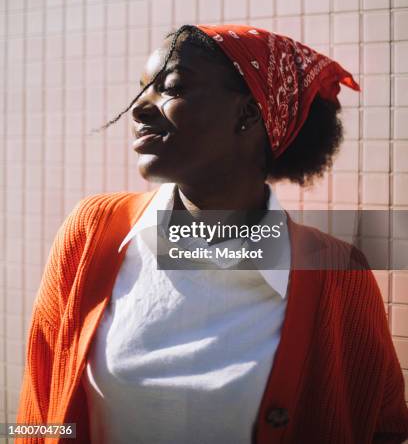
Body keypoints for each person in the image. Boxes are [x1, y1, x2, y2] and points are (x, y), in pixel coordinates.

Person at [17, 24, 408, 444]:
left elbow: (381, 428)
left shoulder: (336, 271)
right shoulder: (91, 230)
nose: (139, 108)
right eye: (141, 89)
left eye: (172, 87)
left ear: (247, 114)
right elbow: (39, 403)